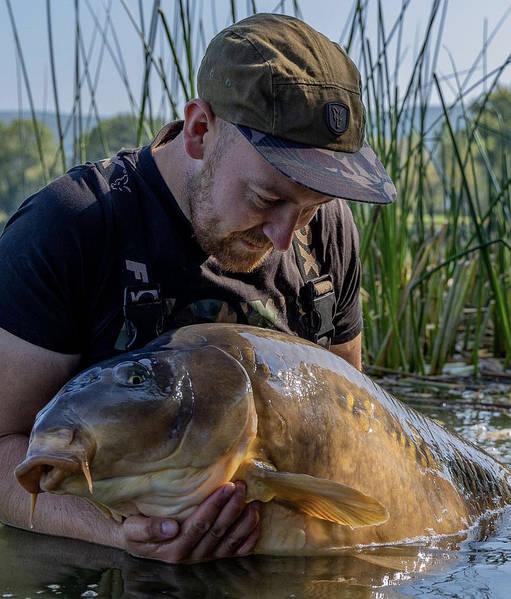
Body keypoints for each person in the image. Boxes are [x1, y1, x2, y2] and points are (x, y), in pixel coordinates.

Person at [0, 13, 396, 563]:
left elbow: (354, 428)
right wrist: (121, 535)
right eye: (264, 198)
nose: (285, 237)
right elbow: (5, 450)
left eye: (310, 208)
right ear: (200, 130)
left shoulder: (328, 237)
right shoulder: (69, 229)